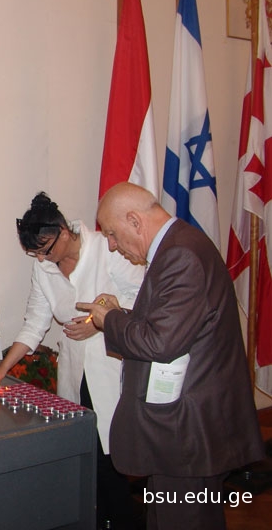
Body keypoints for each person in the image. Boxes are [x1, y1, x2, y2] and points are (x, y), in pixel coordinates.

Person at [78, 182, 265, 530]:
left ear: (135, 221)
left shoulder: (181, 255)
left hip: (188, 434)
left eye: (113, 234)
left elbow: (161, 343)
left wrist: (111, 319)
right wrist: (124, 313)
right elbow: (176, 327)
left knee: (185, 521)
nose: (113, 245)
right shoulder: (179, 246)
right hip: (182, 433)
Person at [0, 191, 145, 529]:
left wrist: (98, 324)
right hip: (75, 374)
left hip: (113, 369)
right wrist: (3, 367)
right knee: (88, 458)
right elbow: (34, 324)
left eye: (46, 249)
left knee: (114, 460)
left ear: (63, 231)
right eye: (36, 253)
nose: (43, 258)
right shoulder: (44, 268)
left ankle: (126, 521)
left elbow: (141, 299)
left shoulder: (105, 249)